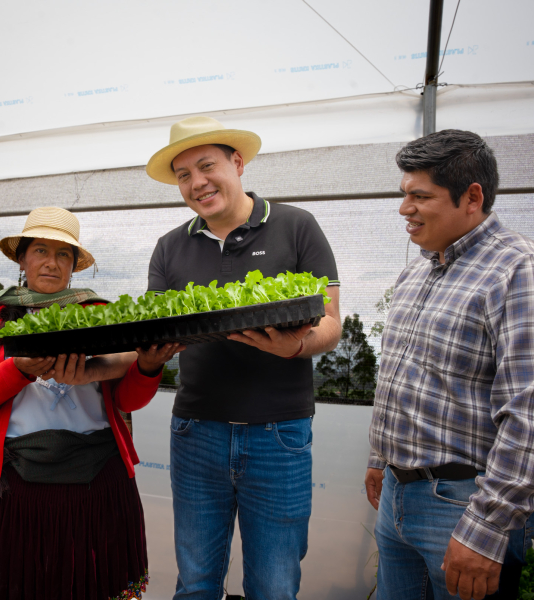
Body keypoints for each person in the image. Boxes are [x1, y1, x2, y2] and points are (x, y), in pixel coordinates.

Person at [0, 207, 180, 600]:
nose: (51, 262)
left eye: (63, 254)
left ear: (75, 265)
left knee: (88, 586)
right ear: (22, 258)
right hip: (11, 484)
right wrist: (19, 369)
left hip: (96, 480)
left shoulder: (100, 314)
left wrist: (147, 366)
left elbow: (128, 399)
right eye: (41, 250)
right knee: (10, 585)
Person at [144, 116, 342, 600]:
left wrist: (295, 345)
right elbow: (154, 330)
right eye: (184, 175)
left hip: (279, 435)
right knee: (195, 583)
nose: (197, 183)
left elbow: (332, 322)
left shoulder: (297, 226)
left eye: (206, 166)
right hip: (196, 431)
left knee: (273, 587)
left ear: (238, 162)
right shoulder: (169, 247)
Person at [364, 129, 534, 600]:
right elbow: (400, 372)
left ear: (471, 196)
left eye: (420, 196)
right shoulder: (418, 268)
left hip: (462, 506)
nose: (404, 208)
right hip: (397, 494)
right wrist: (381, 458)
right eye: (403, 194)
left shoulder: (522, 271)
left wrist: (487, 527)